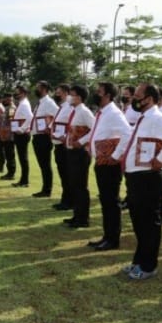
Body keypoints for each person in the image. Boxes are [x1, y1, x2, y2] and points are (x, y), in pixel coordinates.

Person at [113, 83, 162, 279]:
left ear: (149, 99)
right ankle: (139, 261)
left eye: (137, 96)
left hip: (148, 177)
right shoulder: (145, 117)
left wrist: (160, 160)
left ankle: (148, 266)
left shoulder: (157, 118)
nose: (134, 99)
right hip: (137, 176)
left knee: (149, 223)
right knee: (139, 221)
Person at [86, 82, 130, 250]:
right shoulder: (102, 113)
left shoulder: (113, 113)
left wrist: (115, 155)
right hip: (101, 162)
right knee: (106, 201)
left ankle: (112, 239)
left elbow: (127, 134)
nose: (96, 93)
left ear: (108, 95)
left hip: (109, 165)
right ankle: (107, 236)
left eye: (99, 91)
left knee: (111, 202)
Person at [63, 84, 95, 228]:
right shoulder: (75, 111)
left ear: (79, 97)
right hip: (71, 151)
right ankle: (77, 215)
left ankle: (83, 218)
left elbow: (94, 129)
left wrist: (81, 142)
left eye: (72, 94)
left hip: (80, 152)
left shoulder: (85, 112)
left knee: (81, 185)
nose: (69, 96)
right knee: (74, 184)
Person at [30, 81, 59, 198]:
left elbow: (58, 115)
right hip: (37, 136)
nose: (36, 89)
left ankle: (47, 189)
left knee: (45, 164)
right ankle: (45, 188)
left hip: (43, 137)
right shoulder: (40, 103)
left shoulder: (49, 102)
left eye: (38, 88)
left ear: (45, 89)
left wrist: (50, 127)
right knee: (42, 164)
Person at [50, 84, 74, 210]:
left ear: (66, 93)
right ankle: (65, 199)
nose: (56, 95)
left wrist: (64, 136)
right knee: (63, 174)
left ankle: (69, 201)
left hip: (65, 145)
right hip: (58, 144)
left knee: (67, 174)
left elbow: (71, 125)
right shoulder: (63, 107)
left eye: (59, 93)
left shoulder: (69, 107)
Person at [11, 85, 33, 188]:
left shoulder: (24, 104)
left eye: (17, 92)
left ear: (23, 93)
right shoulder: (22, 103)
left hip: (22, 134)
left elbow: (30, 117)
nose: (15, 94)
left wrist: (22, 128)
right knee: (22, 158)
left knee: (23, 158)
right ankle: (23, 180)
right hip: (19, 133)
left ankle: (25, 181)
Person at [0, 93, 16, 181]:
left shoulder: (11, 108)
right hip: (5, 135)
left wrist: (5, 134)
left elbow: (11, 122)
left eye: (5, 99)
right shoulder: (7, 108)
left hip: (9, 136)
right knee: (8, 154)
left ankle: (11, 173)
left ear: (9, 99)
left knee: (10, 155)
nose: (3, 101)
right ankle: (9, 172)